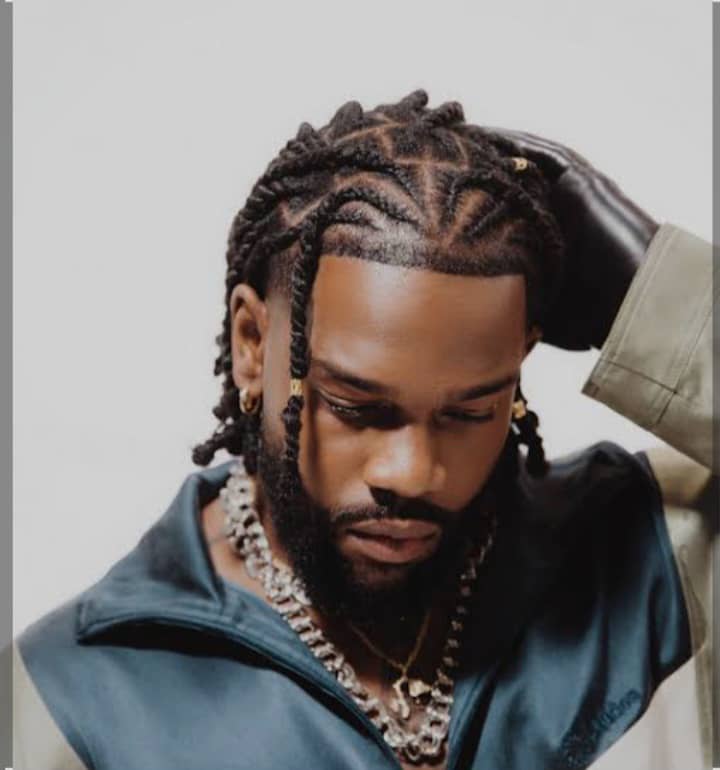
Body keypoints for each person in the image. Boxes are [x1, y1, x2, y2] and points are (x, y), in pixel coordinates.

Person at [10, 91, 715, 770]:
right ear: (253, 343)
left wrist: (663, 304)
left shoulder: (666, 556)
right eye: (356, 407)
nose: (413, 474)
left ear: (520, 362)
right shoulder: (66, 700)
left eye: (469, 412)